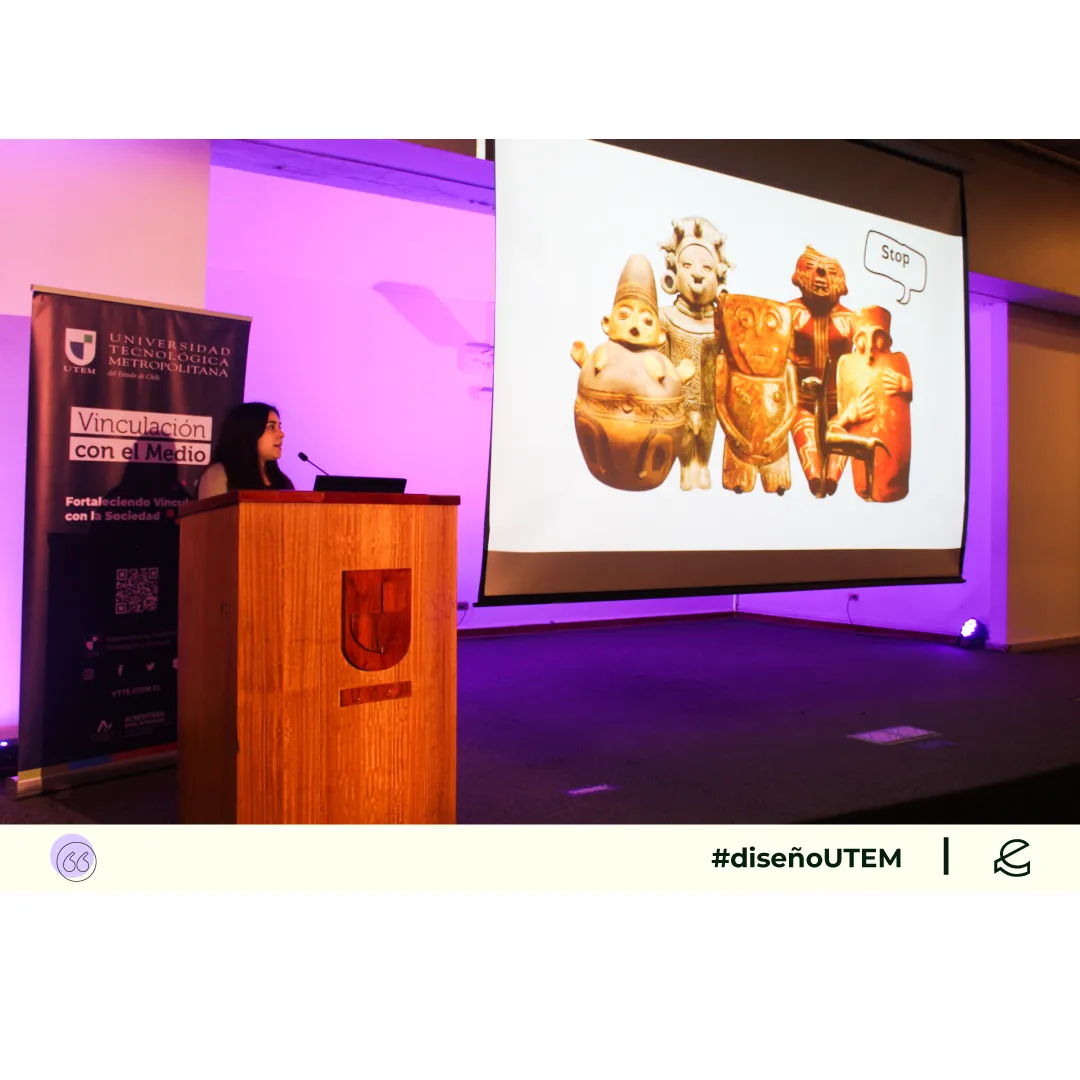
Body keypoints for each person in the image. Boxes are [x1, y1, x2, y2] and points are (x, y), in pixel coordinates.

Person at [197, 402, 294, 498]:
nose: (282, 434)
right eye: (271, 427)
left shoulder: (282, 482)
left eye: (279, 427)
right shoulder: (219, 475)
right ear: (249, 432)